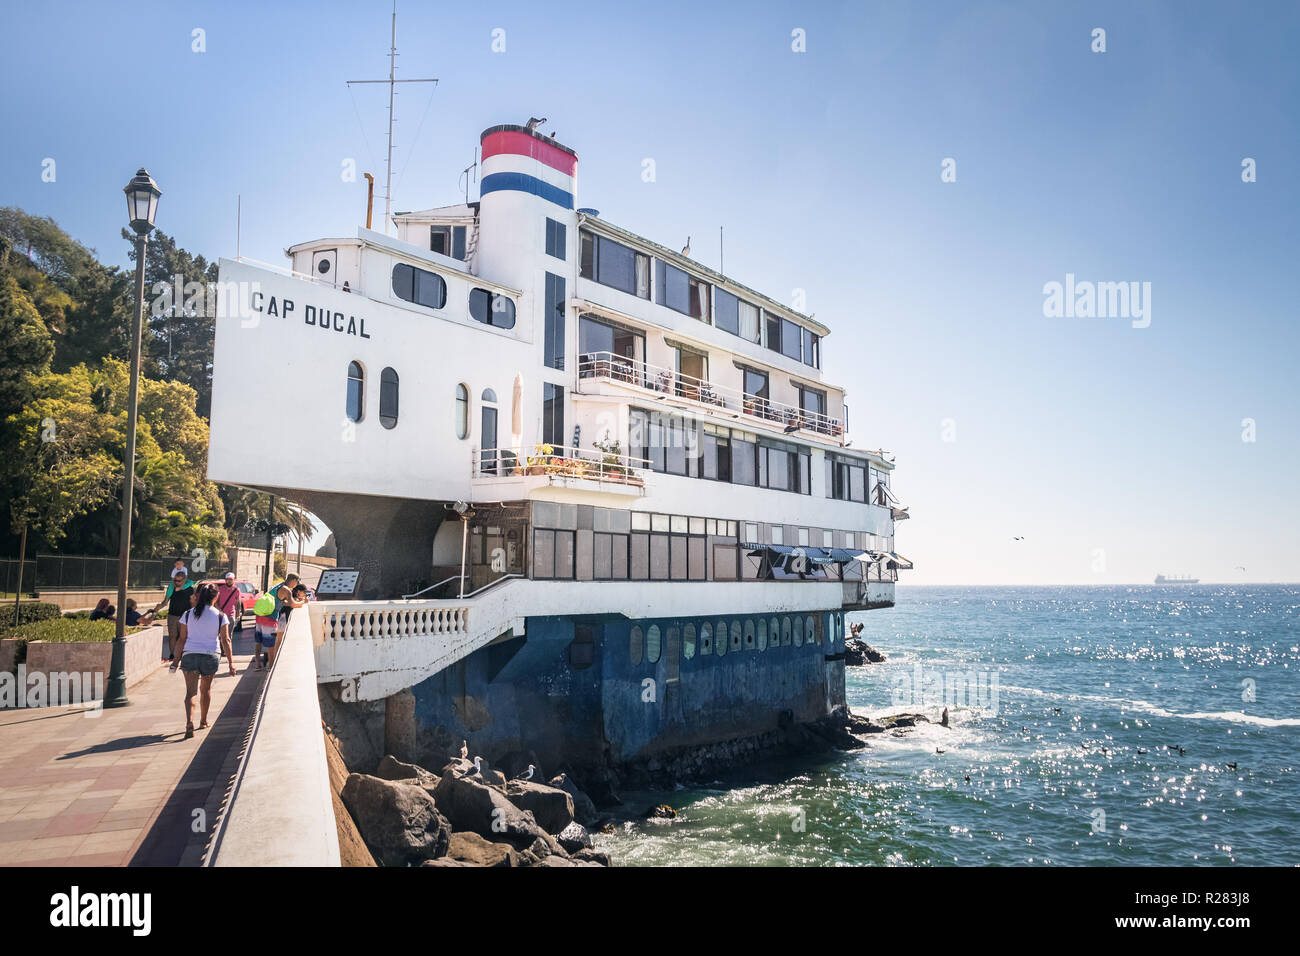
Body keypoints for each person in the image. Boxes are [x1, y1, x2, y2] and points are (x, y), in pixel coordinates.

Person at [171, 582, 236, 739]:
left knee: (190, 692)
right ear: (216, 597)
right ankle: (204, 721)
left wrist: (175, 662)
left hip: (190, 656)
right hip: (210, 656)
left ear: (199, 596)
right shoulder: (221, 616)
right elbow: (226, 640)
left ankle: (189, 722)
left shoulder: (187, 614)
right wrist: (231, 663)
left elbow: (181, 640)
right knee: (205, 690)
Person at [154, 569, 195, 662]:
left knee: (183, 636)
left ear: (184, 580)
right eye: (175, 580)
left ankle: (181, 654)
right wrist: (158, 608)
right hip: (172, 615)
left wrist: (193, 614)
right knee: (172, 636)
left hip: (185, 617)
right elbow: (165, 601)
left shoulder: (190, 589)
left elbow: (193, 602)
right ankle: (172, 654)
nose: (176, 582)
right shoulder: (172, 588)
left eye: (179, 581)